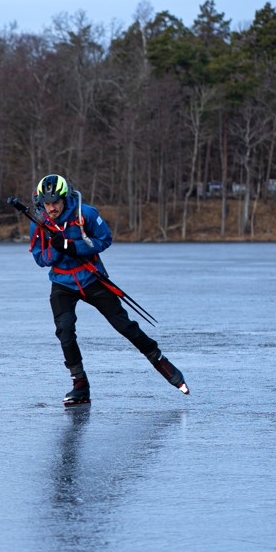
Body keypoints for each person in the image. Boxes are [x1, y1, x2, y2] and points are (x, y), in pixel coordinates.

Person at [25, 174, 187, 407]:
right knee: (65, 331)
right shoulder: (37, 224)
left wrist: (73, 246)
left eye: (56, 202)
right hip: (62, 284)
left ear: (65, 198)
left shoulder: (86, 214)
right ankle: (80, 384)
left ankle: (158, 358)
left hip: (92, 278)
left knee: (124, 326)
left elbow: (105, 239)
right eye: (47, 203)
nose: (52, 208)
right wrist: (57, 248)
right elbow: (41, 259)